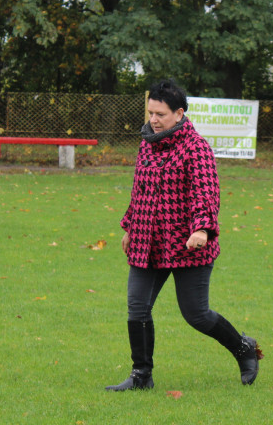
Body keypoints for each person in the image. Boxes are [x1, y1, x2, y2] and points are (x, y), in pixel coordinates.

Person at [106, 79, 262, 391]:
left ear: (179, 114)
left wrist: (202, 228)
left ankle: (244, 349)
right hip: (148, 241)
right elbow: (139, 191)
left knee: (197, 315)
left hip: (188, 244)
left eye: (160, 114)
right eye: (151, 112)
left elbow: (205, 193)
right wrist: (129, 226)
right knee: (137, 307)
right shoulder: (146, 143)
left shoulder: (197, 148)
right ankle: (141, 376)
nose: (153, 119)